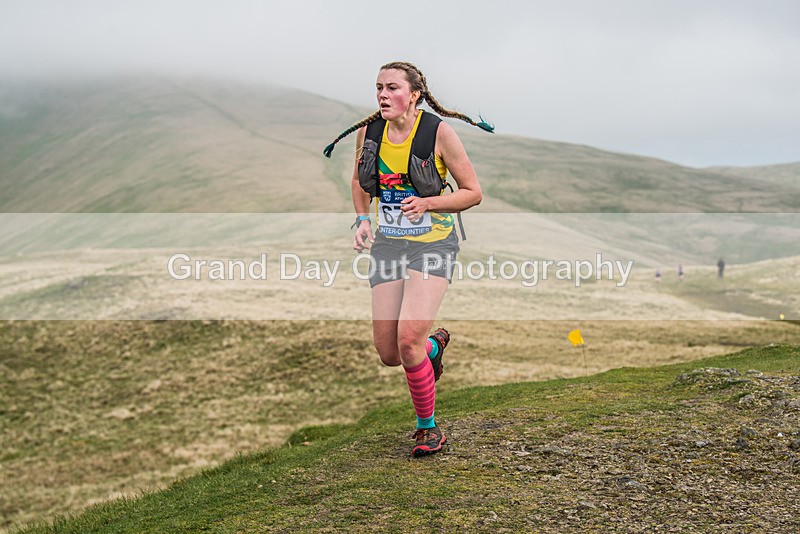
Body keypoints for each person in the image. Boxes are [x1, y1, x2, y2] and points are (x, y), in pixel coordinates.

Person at [323, 61, 491, 457]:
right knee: (389, 352)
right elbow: (358, 180)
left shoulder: (437, 132)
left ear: (414, 94)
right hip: (389, 245)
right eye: (379, 87)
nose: (383, 95)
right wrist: (363, 219)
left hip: (433, 244)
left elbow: (472, 192)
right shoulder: (369, 132)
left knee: (407, 339)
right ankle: (433, 348)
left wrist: (429, 203)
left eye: (392, 88)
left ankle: (427, 428)